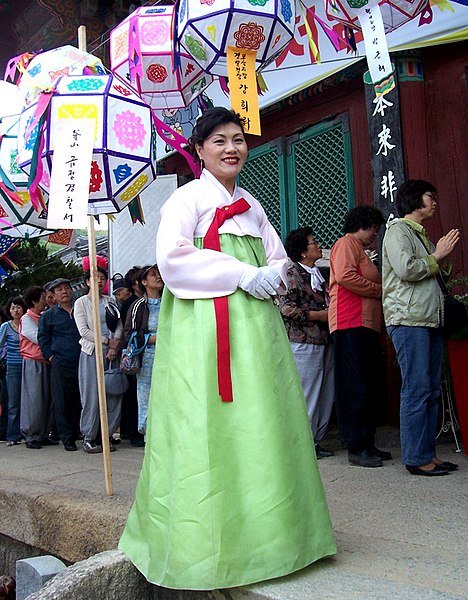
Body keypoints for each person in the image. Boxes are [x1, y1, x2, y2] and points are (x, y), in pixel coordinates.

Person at [119, 107, 336, 590]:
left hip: (256, 326)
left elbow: (279, 259)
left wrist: (269, 276)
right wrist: (241, 273)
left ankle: (277, 537)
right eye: (218, 141)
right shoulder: (185, 199)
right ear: (199, 151)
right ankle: (204, 540)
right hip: (204, 326)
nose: (231, 148)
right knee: (205, 419)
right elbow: (172, 259)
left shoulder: (254, 206)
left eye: (237, 139)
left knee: (264, 415)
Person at [382, 180, 460, 476]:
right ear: (415, 199)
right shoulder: (398, 230)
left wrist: (438, 255)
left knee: (430, 390)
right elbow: (406, 269)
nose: (434, 201)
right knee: (417, 388)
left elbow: (429, 269)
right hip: (409, 320)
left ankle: (427, 453)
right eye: (430, 195)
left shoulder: (420, 235)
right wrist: (437, 255)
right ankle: (416, 458)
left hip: (427, 319)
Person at [329, 205, 391, 468]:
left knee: (366, 384)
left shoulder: (360, 249)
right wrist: (378, 290)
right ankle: (356, 446)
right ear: (363, 225)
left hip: (363, 324)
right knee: (355, 384)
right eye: (373, 230)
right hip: (349, 321)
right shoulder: (347, 244)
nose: (374, 235)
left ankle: (366, 442)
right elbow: (345, 277)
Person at [279, 227, 334, 459]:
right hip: (303, 341)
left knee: (324, 392)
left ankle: (315, 440)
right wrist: (317, 315)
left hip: (322, 339)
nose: (318, 245)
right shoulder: (291, 272)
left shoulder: (316, 274)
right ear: (302, 251)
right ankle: (303, 443)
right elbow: (285, 307)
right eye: (313, 242)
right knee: (307, 393)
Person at [74, 268, 123, 454]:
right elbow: (83, 331)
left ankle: (108, 434)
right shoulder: (81, 303)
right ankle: (89, 436)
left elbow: (118, 324)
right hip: (91, 352)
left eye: (103, 278)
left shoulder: (110, 301)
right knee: (91, 395)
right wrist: (105, 341)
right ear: (87, 281)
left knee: (113, 393)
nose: (99, 282)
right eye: (95, 278)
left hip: (111, 353)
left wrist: (114, 345)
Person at [38, 278, 82, 451]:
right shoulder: (48, 316)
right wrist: (50, 357)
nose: (64, 292)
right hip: (60, 361)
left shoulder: (80, 310)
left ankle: (78, 430)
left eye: (66, 288)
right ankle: (66, 436)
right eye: (59, 290)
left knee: (79, 396)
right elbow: (43, 338)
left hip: (81, 358)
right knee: (61, 399)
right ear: (53, 295)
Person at [124, 264, 164, 436]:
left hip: (169, 355)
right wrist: (154, 339)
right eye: (154, 274)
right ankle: (149, 435)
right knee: (146, 396)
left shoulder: (170, 302)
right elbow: (130, 334)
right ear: (144, 282)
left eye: (160, 273)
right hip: (147, 357)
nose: (158, 277)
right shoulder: (138, 305)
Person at [19, 286, 57, 449]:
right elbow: (37, 337)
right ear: (34, 301)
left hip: (46, 360)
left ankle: (43, 433)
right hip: (33, 361)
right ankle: (32, 434)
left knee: (47, 398)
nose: (45, 301)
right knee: (34, 399)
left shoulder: (43, 316)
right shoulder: (26, 318)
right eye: (42, 298)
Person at [114, 268, 145, 447]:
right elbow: (129, 331)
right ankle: (134, 432)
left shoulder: (138, 302)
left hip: (136, 352)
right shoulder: (134, 304)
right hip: (136, 353)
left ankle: (129, 430)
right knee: (134, 393)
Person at [0, 297, 26, 446]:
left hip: (28, 364)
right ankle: (12, 435)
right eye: (12, 308)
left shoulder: (27, 323)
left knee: (28, 401)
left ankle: (26, 431)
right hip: (13, 366)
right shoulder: (5, 326)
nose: (15, 310)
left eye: (18, 307)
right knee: (13, 402)